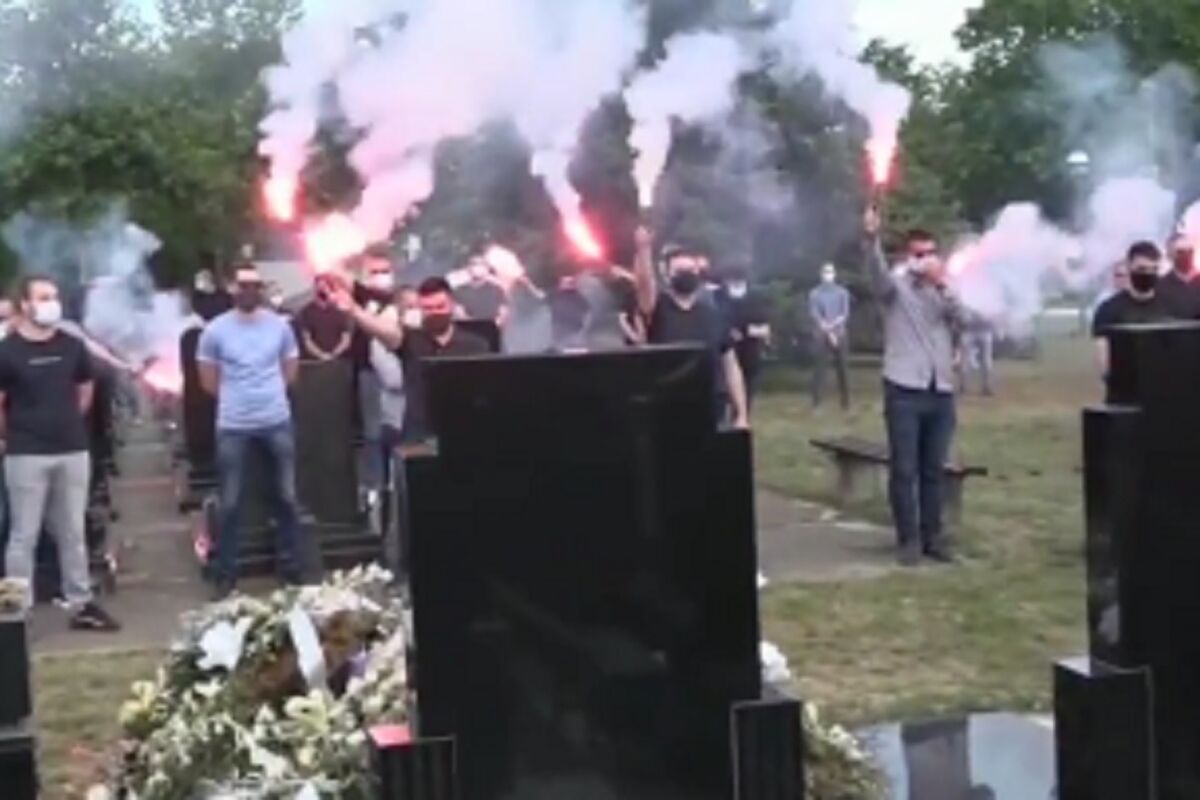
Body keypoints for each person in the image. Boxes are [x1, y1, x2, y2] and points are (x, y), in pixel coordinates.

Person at [0, 275, 120, 629]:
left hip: (72, 449)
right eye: (42, 297)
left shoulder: (72, 345)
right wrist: (11, 435)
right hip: (25, 453)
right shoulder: (7, 351)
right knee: (23, 534)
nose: (51, 303)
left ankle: (80, 602)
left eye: (53, 296)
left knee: (72, 532)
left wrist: (67, 421)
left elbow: (85, 389)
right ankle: (15, 611)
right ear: (25, 305)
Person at [865, 210, 964, 565]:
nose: (927, 260)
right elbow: (877, 276)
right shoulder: (896, 286)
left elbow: (965, 319)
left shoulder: (945, 288)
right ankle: (908, 539)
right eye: (920, 254)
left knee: (934, 469)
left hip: (940, 389)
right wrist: (872, 240)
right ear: (908, 257)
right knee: (904, 469)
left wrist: (944, 287)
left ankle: (933, 537)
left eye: (932, 253)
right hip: (905, 387)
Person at [197, 264, 303, 599]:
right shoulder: (215, 331)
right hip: (234, 424)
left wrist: (270, 394)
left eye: (255, 285)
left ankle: (291, 567)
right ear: (232, 288)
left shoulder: (280, 327)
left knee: (286, 497)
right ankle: (226, 574)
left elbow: (291, 368)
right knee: (230, 503)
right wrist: (239, 398)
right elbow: (207, 379)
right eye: (243, 285)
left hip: (276, 419)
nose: (249, 291)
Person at [333, 276, 490, 445]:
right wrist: (354, 310)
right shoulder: (411, 339)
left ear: (451, 305)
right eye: (428, 308)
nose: (435, 312)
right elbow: (383, 332)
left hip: (464, 430)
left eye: (440, 306)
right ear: (420, 309)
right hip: (418, 433)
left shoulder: (476, 344)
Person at [634, 229, 750, 429]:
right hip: (665, 409)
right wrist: (644, 249)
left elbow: (730, 365)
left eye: (690, 270)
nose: (687, 275)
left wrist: (741, 414)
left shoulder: (713, 314)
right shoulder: (657, 308)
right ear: (667, 275)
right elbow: (644, 284)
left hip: (711, 408)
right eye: (680, 271)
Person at [1091, 241, 1172, 401]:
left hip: (1164, 395)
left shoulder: (1170, 306)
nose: (1148, 274)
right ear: (1129, 267)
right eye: (1142, 269)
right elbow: (1103, 363)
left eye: (1154, 269)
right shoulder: (1109, 310)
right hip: (1123, 396)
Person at [716, 267, 770, 405]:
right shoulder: (718, 296)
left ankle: (742, 413)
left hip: (749, 352)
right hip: (723, 351)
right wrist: (728, 332)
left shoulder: (756, 297)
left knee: (747, 388)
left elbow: (764, 327)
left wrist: (745, 331)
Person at [808, 263, 851, 409]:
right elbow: (815, 315)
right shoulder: (815, 293)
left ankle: (845, 402)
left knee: (843, 369)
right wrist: (828, 331)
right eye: (825, 272)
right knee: (819, 369)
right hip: (821, 335)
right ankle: (816, 402)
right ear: (821, 274)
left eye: (830, 272)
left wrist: (833, 330)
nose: (828, 275)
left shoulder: (842, 293)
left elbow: (844, 314)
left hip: (840, 334)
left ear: (835, 274)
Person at [295, 287, 352, 363]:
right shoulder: (306, 312)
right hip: (314, 362)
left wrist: (334, 354)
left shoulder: (341, 311)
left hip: (340, 361)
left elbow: (346, 339)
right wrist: (322, 355)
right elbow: (307, 340)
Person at [456, 255, 509, 325]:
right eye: (474, 264)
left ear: (486, 269)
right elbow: (460, 314)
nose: (477, 267)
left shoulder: (497, 290)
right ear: (468, 268)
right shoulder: (460, 291)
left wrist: (494, 325)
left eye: (481, 264)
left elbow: (503, 313)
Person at [1158, 233, 1200, 319]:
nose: (1187, 255)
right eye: (1181, 252)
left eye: (1190, 251)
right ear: (1169, 255)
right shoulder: (1160, 286)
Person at [956, 310, 995, 396]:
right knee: (966, 360)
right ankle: (965, 386)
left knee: (984, 360)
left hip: (980, 330)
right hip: (971, 330)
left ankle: (985, 387)